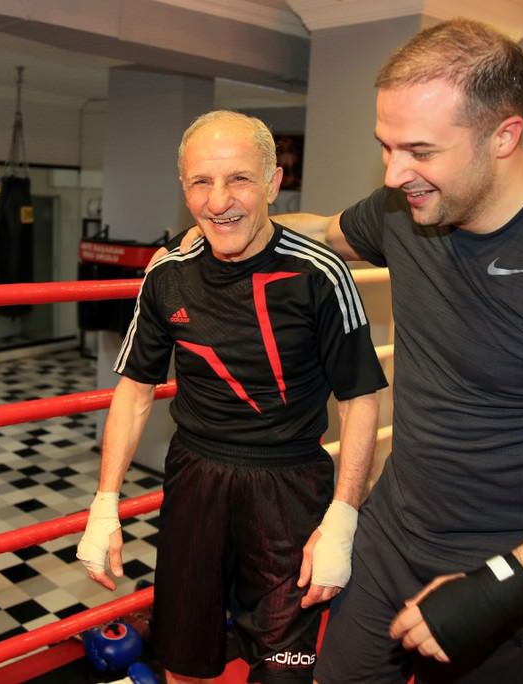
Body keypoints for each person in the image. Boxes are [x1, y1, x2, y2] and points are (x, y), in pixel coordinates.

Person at [170, 19, 523, 684]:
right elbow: (321, 231)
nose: (394, 172)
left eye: (419, 150)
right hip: (391, 536)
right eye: (386, 147)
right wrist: (226, 227)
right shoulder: (405, 211)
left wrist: (503, 585)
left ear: (504, 136)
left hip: (511, 565)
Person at [77, 110, 387, 683]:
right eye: (201, 182)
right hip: (196, 480)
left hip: (291, 488)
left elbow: (360, 398)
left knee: (284, 670)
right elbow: (135, 390)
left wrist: (344, 516)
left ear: (272, 183)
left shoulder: (320, 274)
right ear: (184, 188)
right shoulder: (167, 274)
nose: (219, 201)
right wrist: (104, 505)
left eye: (239, 179)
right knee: (183, 660)